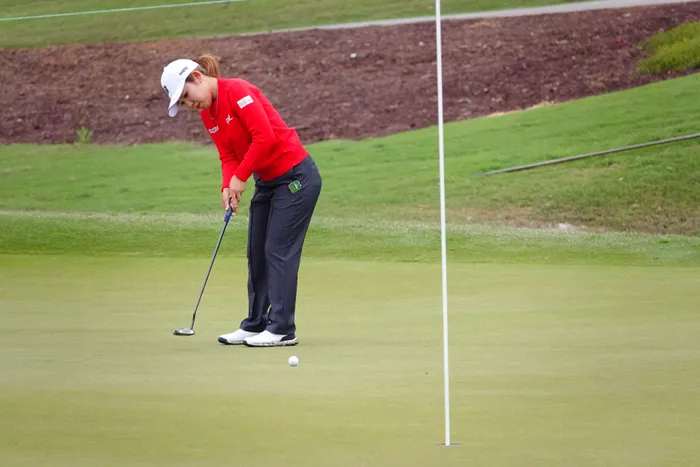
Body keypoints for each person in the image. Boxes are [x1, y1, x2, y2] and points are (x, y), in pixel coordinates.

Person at [160, 55, 322, 347]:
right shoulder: (208, 114)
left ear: (197, 77)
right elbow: (228, 155)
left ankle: (282, 328)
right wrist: (228, 185)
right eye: (182, 103)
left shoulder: (237, 90)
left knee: (278, 250)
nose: (189, 104)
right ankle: (256, 323)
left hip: (295, 177)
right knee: (256, 251)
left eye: (186, 95)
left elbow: (264, 137)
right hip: (267, 181)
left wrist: (240, 177)